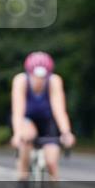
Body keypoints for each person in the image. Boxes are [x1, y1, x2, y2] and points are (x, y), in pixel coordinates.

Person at [10, 52, 76, 180]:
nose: (39, 80)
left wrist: (66, 132)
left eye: (43, 77)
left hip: (47, 121)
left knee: (52, 162)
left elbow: (59, 110)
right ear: (29, 73)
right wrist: (17, 134)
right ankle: (23, 176)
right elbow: (18, 110)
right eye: (35, 76)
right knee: (26, 137)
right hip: (27, 119)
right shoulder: (21, 81)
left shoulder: (54, 81)